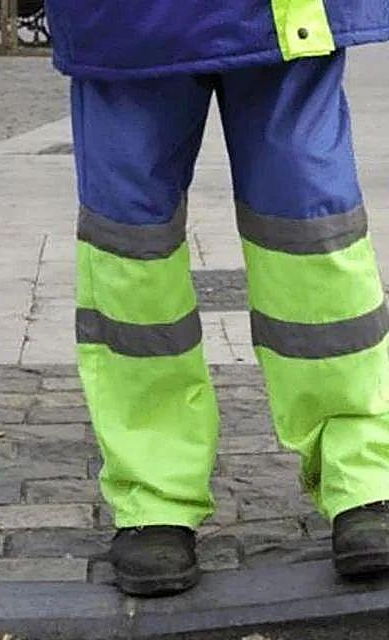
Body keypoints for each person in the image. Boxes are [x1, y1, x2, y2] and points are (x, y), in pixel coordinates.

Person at [42, 1, 389, 595]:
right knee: (131, 248)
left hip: (278, 12)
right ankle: (155, 495)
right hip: (122, 20)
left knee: (307, 229)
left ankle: (363, 477)